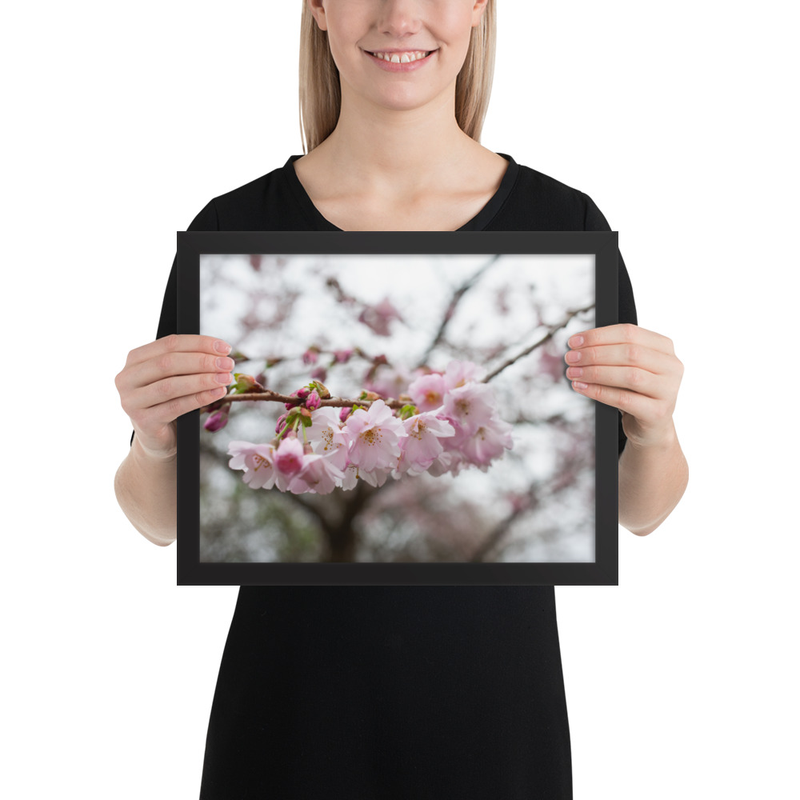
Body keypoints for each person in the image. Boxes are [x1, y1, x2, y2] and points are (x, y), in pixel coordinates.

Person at [114, 1, 689, 796]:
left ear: (482, 7)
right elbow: (161, 521)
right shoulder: (233, 229)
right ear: (318, 7)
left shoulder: (564, 226)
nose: (401, 14)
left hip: (493, 720)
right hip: (289, 723)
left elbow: (640, 510)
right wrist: (153, 442)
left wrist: (656, 431)